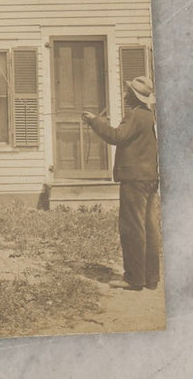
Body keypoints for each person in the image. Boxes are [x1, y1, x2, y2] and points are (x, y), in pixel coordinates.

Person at [82, 75, 160, 291]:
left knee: (132, 229)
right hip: (150, 178)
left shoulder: (134, 115)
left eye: (128, 92)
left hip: (134, 180)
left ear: (134, 97)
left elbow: (117, 136)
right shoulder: (151, 116)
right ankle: (151, 279)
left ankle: (134, 280)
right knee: (150, 228)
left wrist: (95, 121)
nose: (125, 94)